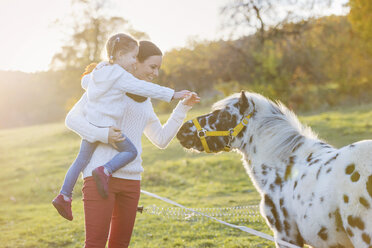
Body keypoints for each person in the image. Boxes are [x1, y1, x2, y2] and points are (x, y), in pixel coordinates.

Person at [63, 40, 200, 248]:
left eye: (158, 68)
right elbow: (72, 119)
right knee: (95, 245)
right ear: (135, 62)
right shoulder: (104, 88)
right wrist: (103, 134)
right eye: (152, 67)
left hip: (131, 181)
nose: (155, 73)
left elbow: (161, 139)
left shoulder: (146, 100)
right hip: (99, 179)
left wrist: (182, 109)